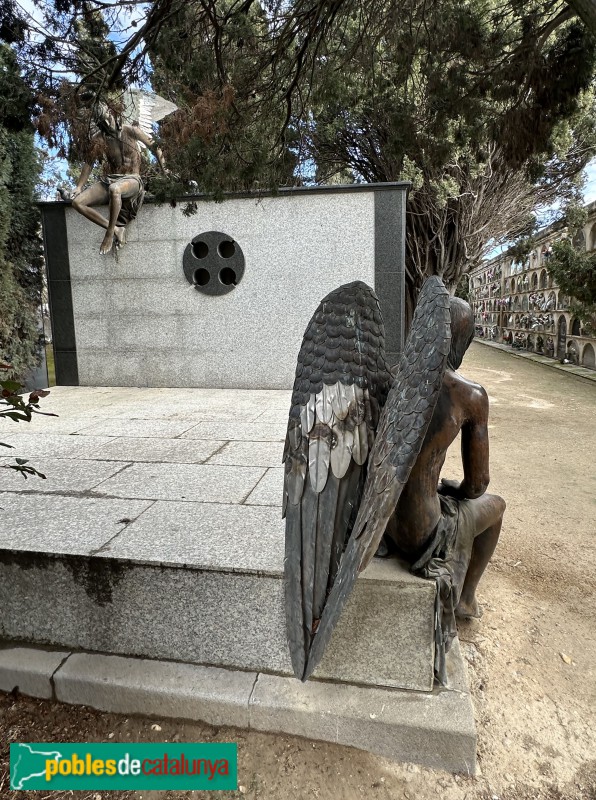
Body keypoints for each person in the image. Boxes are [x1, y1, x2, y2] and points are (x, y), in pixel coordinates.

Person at [385, 296, 506, 680]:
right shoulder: (469, 395)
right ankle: (466, 600)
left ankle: (465, 597)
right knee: (496, 505)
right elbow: (476, 485)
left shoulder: (393, 378)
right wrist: (450, 487)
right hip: (424, 531)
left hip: (384, 523)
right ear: (461, 339)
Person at [67, 97, 167, 255]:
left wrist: (164, 170)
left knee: (115, 189)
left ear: (111, 114)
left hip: (133, 179)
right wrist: (79, 186)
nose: (106, 125)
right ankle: (116, 229)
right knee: (78, 203)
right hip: (111, 178)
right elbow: (88, 163)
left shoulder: (130, 131)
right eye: (102, 124)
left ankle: (109, 234)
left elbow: (156, 148)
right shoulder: (99, 138)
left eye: (107, 120)